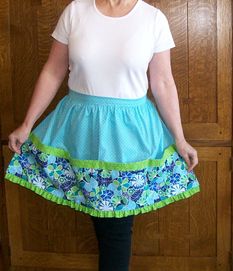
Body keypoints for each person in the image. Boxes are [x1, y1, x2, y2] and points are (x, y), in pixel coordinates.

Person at [4, 0, 201, 270]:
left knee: (116, 227)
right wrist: (27, 124)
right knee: (102, 221)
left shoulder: (153, 19)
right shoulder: (76, 11)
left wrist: (179, 138)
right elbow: (53, 70)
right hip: (78, 131)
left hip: (129, 135)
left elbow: (163, 82)